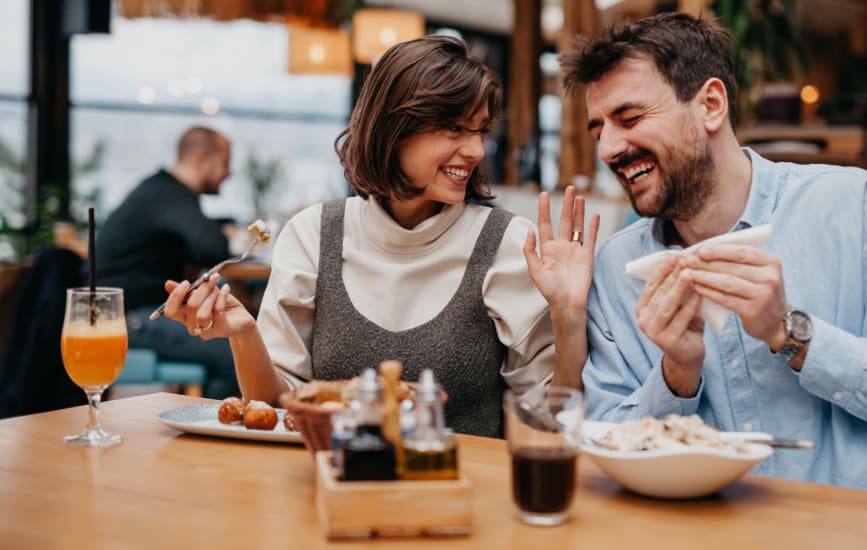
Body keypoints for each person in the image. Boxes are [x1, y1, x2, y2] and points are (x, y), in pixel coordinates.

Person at [526, 13, 867, 502]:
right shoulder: (617, 270)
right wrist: (676, 376)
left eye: (630, 118)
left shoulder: (863, 209)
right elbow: (602, 439)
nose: (609, 148)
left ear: (711, 105)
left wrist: (793, 334)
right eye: (598, 131)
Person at [161, 36, 582, 438]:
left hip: (461, 494)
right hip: (331, 486)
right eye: (454, 129)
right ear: (393, 129)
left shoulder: (507, 243)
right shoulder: (313, 235)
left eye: (481, 131)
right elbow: (276, 409)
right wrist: (244, 335)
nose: (475, 151)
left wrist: (567, 317)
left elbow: (548, 418)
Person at [96, 126, 239, 399]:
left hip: (132, 312)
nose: (228, 173)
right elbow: (213, 246)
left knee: (233, 340)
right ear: (201, 159)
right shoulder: (170, 194)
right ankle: (211, 432)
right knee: (234, 352)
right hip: (129, 317)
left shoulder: (159, 192)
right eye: (225, 163)